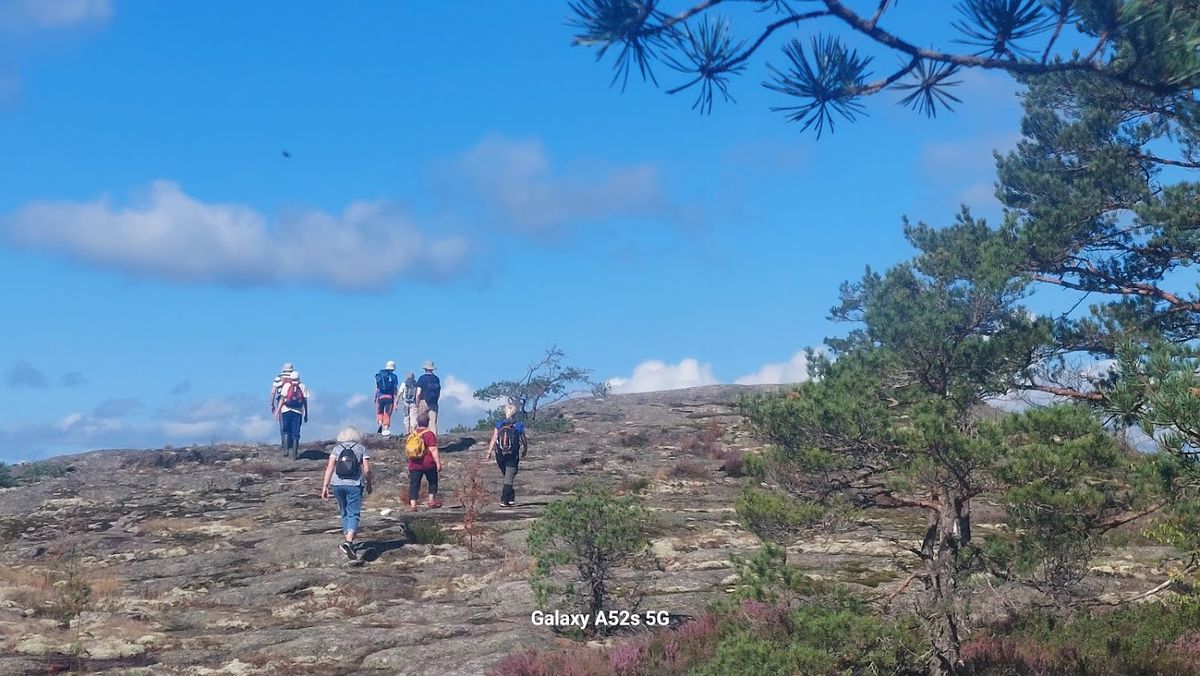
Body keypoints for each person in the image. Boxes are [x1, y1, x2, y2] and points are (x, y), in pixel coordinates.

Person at [321, 426, 372, 561]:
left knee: (344, 511)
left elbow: (330, 467)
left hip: (337, 484)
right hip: (355, 485)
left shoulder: (337, 449)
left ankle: (347, 541)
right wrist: (369, 483)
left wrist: (325, 486)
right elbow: (367, 469)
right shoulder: (361, 448)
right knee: (353, 513)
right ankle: (349, 542)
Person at [485, 403, 528, 507]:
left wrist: (489, 452)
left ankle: (511, 497)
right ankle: (504, 499)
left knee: (507, 476)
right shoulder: (519, 425)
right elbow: (523, 439)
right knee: (509, 477)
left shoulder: (499, 424)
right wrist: (525, 449)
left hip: (500, 454)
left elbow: (494, 437)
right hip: (512, 454)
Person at [406, 412, 442, 511]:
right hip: (428, 463)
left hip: (414, 463)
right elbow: (433, 449)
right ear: (428, 422)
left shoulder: (412, 434)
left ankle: (413, 505)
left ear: (417, 422)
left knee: (414, 484)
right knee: (432, 481)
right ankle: (431, 501)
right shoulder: (429, 434)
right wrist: (438, 462)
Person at [275, 370, 309, 459]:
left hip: (286, 410)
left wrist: (277, 411)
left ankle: (286, 450)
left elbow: (282, 399)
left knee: (286, 430)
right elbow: (305, 401)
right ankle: (294, 455)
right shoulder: (302, 386)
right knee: (296, 433)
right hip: (298, 412)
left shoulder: (287, 385)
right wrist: (306, 413)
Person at [268, 362, 294, 446]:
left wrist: (271, 404)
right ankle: (292, 443)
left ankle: (285, 444)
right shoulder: (295, 377)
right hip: (293, 401)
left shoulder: (278, 378)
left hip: (281, 400)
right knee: (293, 421)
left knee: (283, 422)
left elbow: (273, 392)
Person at [415, 361, 441, 435]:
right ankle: (433, 443)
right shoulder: (436, 379)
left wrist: (417, 403)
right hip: (434, 403)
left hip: (423, 402)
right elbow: (438, 392)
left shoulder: (422, 378)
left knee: (421, 423)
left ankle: (421, 442)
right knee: (433, 423)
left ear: (425, 369)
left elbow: (418, 393)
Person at [374, 360, 400, 436]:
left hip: (380, 397)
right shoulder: (394, 377)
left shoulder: (380, 375)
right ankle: (385, 428)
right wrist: (396, 395)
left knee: (379, 412)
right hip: (389, 397)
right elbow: (395, 388)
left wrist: (375, 397)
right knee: (387, 414)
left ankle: (380, 423)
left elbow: (377, 388)